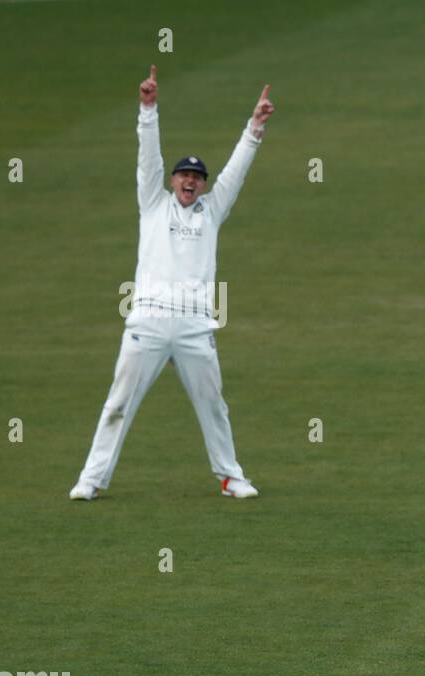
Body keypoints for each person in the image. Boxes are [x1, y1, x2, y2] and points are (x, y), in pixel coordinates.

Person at [68, 65, 272, 501]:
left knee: (214, 406)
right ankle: (91, 479)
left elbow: (236, 171)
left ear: (202, 185)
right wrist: (148, 109)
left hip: (197, 325)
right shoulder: (153, 203)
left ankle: (230, 477)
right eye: (184, 176)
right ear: (173, 180)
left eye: (197, 178)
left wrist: (254, 127)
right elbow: (149, 158)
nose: (189, 182)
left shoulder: (212, 210)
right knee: (118, 404)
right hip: (148, 321)